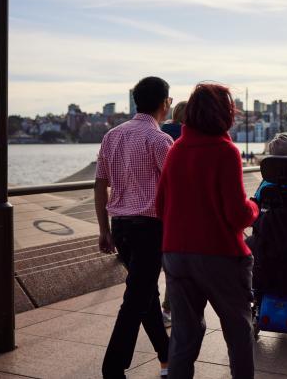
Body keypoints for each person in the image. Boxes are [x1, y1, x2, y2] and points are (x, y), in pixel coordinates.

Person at [156, 82, 259, 379]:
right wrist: (254, 207)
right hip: (220, 256)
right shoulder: (225, 151)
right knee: (238, 331)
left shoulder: (176, 150)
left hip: (176, 254)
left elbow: (160, 206)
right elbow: (237, 214)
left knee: (184, 337)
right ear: (223, 113)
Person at [95, 76, 173, 379]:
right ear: (164, 103)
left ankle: (167, 357)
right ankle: (112, 369)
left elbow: (100, 184)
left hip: (121, 227)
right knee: (136, 299)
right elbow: (175, 189)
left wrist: (104, 230)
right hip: (150, 228)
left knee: (145, 296)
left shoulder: (112, 135)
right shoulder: (160, 140)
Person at [159, 100, 186, 328]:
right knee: (175, 263)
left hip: (154, 205)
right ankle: (169, 309)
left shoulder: (160, 132)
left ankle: (157, 309)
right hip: (177, 207)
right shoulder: (185, 137)